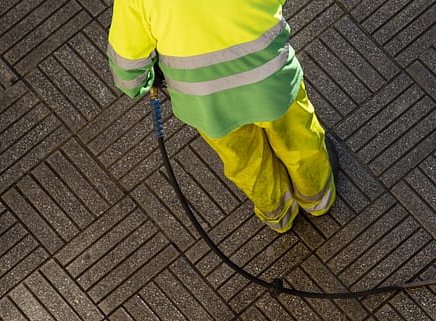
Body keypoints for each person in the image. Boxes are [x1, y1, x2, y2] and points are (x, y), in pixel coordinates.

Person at [107, 0, 336, 233]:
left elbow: (127, 68)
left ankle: (279, 214)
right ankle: (318, 200)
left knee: (245, 161)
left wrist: (142, 82)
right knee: (299, 141)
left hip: (207, 105)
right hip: (270, 82)